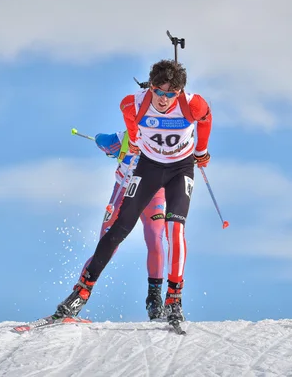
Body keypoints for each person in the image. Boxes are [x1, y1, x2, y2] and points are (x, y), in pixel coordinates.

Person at [54, 59, 212, 322]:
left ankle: (173, 298)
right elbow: (128, 120)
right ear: (150, 87)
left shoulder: (192, 104)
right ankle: (81, 292)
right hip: (149, 168)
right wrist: (135, 140)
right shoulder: (133, 103)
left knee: (174, 229)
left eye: (170, 94)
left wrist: (201, 151)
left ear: (180, 92)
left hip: (179, 169)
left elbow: (206, 118)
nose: (163, 99)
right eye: (158, 92)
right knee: (119, 227)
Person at [82, 130, 167, 320]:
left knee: (154, 239)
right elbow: (102, 140)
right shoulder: (128, 134)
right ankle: (78, 296)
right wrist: (109, 146)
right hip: (124, 191)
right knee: (106, 245)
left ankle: (155, 301)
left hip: (154, 195)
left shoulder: (169, 136)